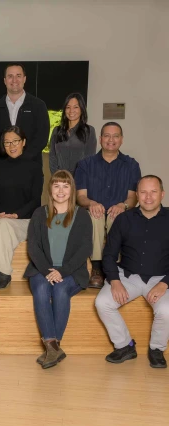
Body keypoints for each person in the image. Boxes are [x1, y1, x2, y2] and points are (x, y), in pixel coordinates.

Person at [95, 175, 169, 369]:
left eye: (153, 192)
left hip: (161, 278)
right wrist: (115, 281)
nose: (148, 197)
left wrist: (165, 283)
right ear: (137, 195)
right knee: (102, 302)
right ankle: (125, 345)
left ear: (162, 194)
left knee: (166, 310)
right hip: (127, 276)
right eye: (143, 192)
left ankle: (156, 349)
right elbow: (109, 254)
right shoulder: (123, 219)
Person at [24, 171, 92, 369]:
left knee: (61, 290)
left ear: (72, 190)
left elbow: (85, 249)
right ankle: (54, 349)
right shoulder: (40, 213)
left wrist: (62, 271)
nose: (60, 191)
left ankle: (51, 349)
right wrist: (47, 271)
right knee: (42, 289)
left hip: (72, 271)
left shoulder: (82, 216)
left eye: (65, 186)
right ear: (50, 189)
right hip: (41, 269)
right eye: (56, 186)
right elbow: (34, 247)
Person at [75, 122, 141, 288]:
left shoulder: (131, 165)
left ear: (121, 139)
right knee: (94, 215)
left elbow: (133, 198)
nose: (111, 139)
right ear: (100, 138)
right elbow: (80, 197)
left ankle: (114, 268)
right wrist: (91, 203)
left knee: (116, 216)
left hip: (119, 213)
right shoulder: (85, 164)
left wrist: (123, 206)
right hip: (93, 213)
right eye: (107, 135)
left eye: (115, 136)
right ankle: (97, 269)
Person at [0, 126, 43, 290]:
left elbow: (36, 200)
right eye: (7, 142)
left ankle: (4, 272)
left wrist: (16, 215)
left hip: (25, 220)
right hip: (3, 218)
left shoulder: (34, 167)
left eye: (15, 141)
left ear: (23, 142)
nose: (11, 146)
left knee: (4, 225)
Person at [0, 63, 50, 168]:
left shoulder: (38, 106)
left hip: (31, 169)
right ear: (5, 80)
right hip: (2, 170)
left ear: (24, 79)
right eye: (10, 76)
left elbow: (42, 138)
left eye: (18, 76)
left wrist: (21, 160)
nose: (14, 80)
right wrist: (4, 161)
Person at [49, 93, 97, 175]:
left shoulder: (89, 131)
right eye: (68, 107)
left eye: (76, 107)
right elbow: (52, 157)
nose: (71, 111)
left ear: (81, 109)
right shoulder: (57, 131)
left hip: (80, 179)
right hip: (60, 180)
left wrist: (78, 179)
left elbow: (90, 159)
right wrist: (58, 176)